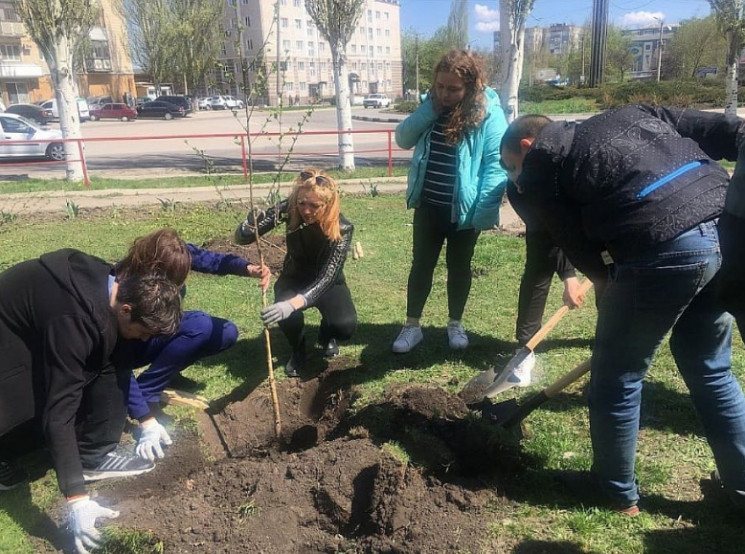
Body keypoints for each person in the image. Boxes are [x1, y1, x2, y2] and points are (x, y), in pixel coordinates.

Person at [499, 106, 745, 514]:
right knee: (711, 369)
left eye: (511, 165)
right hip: (725, 233)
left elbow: (576, 246)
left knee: (616, 376)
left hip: (663, 245)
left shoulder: (542, 165)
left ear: (527, 146)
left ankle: (614, 490)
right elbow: (722, 130)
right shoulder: (634, 112)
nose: (515, 175)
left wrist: (606, 286)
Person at [0, 248, 182, 553]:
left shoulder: (110, 289)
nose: (145, 340)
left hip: (34, 334)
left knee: (107, 358)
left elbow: (119, 363)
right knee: (44, 407)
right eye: (144, 331)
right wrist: (77, 499)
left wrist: (147, 420)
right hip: (9, 351)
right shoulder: (73, 320)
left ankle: (90, 457)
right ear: (126, 309)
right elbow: (59, 413)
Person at [111, 229, 270, 462]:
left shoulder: (175, 254)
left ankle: (167, 373)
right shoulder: (128, 283)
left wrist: (247, 268)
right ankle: (146, 390)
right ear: (155, 269)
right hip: (132, 341)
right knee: (199, 325)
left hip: (158, 330)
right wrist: (144, 417)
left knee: (225, 332)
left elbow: (213, 260)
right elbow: (116, 356)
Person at [391, 49, 508, 354]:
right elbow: (403, 139)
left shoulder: (489, 113)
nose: (444, 94)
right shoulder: (430, 106)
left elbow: (496, 165)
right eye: (440, 86)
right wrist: (429, 110)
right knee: (421, 265)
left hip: (465, 212)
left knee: (459, 268)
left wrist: (483, 212)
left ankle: (455, 323)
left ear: (471, 86)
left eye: (453, 89)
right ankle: (412, 326)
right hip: (428, 205)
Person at [235, 169, 356, 378]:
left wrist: (292, 304)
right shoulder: (289, 208)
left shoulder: (343, 228)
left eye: (314, 206)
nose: (306, 211)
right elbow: (245, 237)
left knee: (345, 327)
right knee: (287, 316)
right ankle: (298, 348)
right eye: (302, 203)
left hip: (327, 282)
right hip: (294, 277)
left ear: (328, 204)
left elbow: (328, 277)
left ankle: (326, 335)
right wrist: (248, 224)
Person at [506, 180, 586, 348]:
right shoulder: (516, 189)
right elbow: (546, 230)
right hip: (542, 210)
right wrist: (569, 276)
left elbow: (563, 221)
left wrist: (568, 276)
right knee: (538, 265)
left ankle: (611, 336)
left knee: (606, 271)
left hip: (590, 210)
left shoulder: (555, 174)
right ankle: (526, 343)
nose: (513, 173)